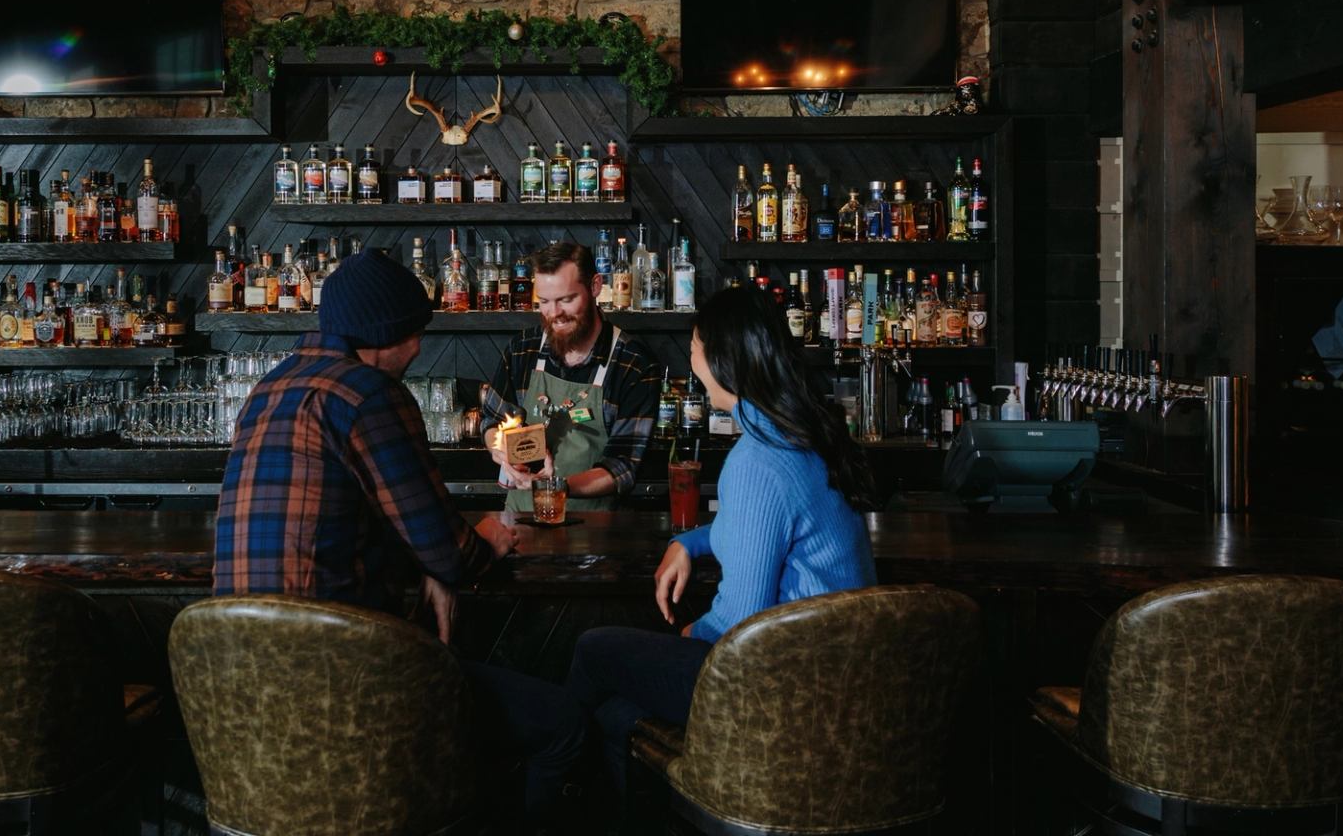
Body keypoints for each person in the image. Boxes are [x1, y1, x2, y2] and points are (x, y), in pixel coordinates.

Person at [213, 248, 583, 823]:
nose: (419, 348)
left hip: (238, 701)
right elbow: (454, 554)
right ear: (389, 335)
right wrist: (475, 543)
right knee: (561, 722)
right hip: (347, 688)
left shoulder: (269, 388)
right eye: (417, 333)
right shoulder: (371, 395)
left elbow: (344, 522)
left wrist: (426, 566)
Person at [563, 285, 878, 796]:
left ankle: (554, 800)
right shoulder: (798, 435)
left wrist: (689, 635)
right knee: (617, 714)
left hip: (774, 683)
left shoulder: (757, 460)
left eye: (693, 350)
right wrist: (691, 542)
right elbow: (766, 522)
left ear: (724, 357)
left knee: (595, 649)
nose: (691, 366)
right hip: (830, 678)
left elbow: (741, 620)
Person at [479, 242, 663, 512]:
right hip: (520, 523)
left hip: (594, 533)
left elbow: (622, 467)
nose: (554, 314)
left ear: (595, 286)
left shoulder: (633, 365)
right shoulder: (523, 349)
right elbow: (492, 420)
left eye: (566, 300)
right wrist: (500, 450)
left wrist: (556, 487)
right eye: (544, 302)